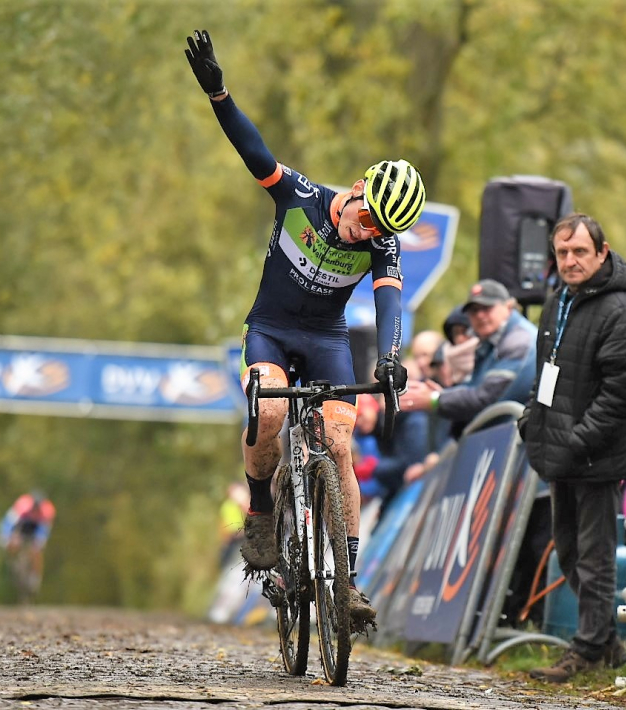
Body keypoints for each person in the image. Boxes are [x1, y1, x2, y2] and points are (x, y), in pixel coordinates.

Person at [185, 29, 423, 627]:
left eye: (381, 230)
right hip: (270, 329)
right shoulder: (301, 196)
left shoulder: (383, 246)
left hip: (326, 342)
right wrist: (220, 96)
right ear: (361, 186)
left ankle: (345, 578)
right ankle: (263, 514)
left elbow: (391, 307)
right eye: (368, 216)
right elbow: (253, 149)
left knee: (340, 445)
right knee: (267, 414)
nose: (368, 231)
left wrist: (390, 359)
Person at [519, 213, 626, 683]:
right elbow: (544, 375)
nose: (570, 261)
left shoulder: (619, 310)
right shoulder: (558, 302)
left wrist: (576, 440)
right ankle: (607, 642)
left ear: (602, 252)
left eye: (579, 252)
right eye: (562, 253)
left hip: (594, 458)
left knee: (594, 559)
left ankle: (588, 648)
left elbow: (622, 392)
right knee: (570, 554)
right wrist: (532, 419)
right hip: (560, 455)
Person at [401, 279, 537, 439]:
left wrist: (437, 399)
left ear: (508, 306)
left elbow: (487, 398)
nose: (480, 315)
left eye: (487, 308)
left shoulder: (518, 341)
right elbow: (477, 388)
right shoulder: (491, 341)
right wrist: (445, 396)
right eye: (473, 310)